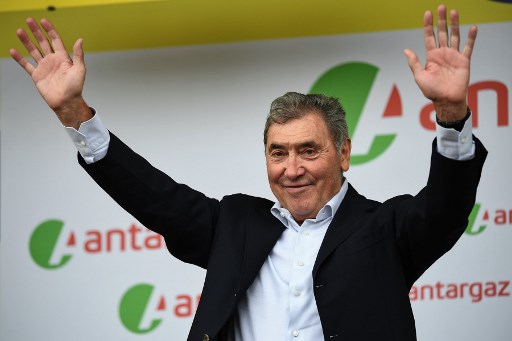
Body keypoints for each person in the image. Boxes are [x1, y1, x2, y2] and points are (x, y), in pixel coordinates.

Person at [11, 5, 486, 341]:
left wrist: (450, 112)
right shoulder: (234, 224)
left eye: (308, 150)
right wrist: (75, 113)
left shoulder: (387, 228)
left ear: (343, 153)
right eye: (277, 153)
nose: (292, 169)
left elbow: (446, 207)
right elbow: (152, 195)